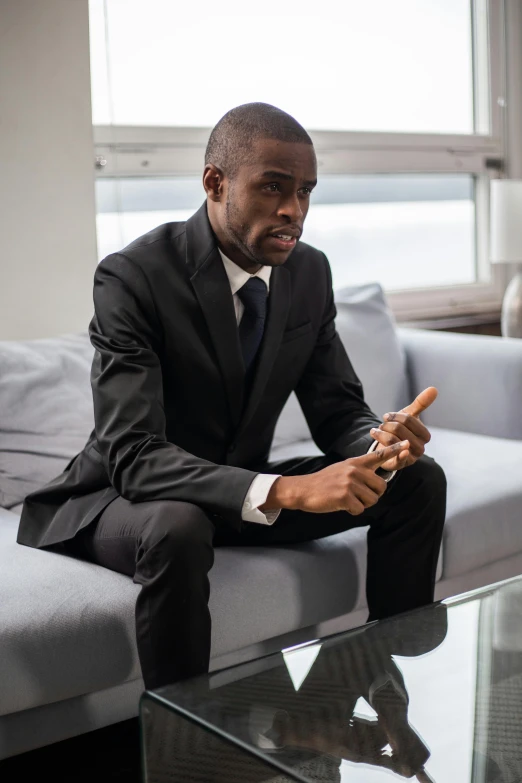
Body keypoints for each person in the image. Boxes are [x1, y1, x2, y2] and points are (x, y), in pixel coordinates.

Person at [17, 102, 447, 692]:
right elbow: (134, 454)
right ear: (214, 182)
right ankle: (183, 736)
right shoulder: (134, 276)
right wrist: (289, 489)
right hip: (125, 498)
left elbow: (338, 409)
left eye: (305, 191)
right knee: (178, 525)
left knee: (417, 480)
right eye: (273, 187)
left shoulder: (308, 273)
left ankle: (383, 676)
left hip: (237, 492)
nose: (293, 210)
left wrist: (379, 441)